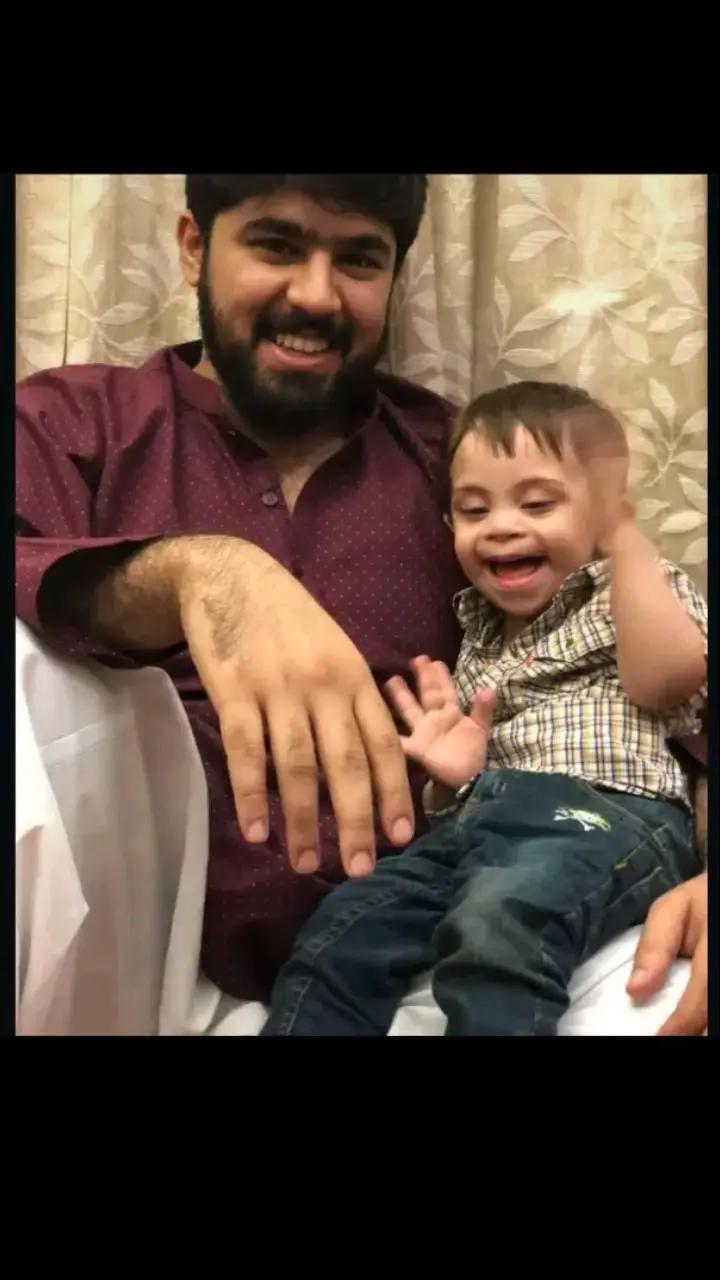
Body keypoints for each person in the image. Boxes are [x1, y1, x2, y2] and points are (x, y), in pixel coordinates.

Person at [15, 174, 708, 1031]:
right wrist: (197, 574)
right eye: (276, 244)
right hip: (115, 941)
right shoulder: (78, 423)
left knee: (657, 994)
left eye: (358, 260)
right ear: (194, 246)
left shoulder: (467, 469)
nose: (316, 295)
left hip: (448, 936)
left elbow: (667, 692)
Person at [261, 382, 707, 1035]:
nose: (500, 525)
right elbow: (472, 795)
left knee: (498, 922)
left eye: (537, 503)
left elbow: (668, 681)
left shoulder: (634, 587)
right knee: (342, 931)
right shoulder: (476, 627)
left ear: (604, 513)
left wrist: (628, 546)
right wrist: (454, 778)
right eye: (474, 510)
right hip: (483, 820)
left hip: (603, 812)